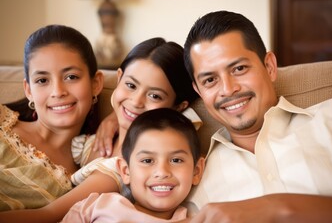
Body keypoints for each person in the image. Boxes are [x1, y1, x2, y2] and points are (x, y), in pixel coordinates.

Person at [182, 10, 332, 222]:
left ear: (270, 67)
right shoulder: (194, 177)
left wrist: (278, 208)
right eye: (210, 80)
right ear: (199, 91)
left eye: (239, 68)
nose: (228, 90)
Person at [0, 37, 201, 222]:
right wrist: (114, 117)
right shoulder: (89, 142)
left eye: (155, 96)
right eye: (131, 85)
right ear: (119, 78)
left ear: (178, 107)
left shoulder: (121, 168)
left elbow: (48, 215)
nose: (135, 101)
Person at [0, 24, 104, 211]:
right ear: (29, 90)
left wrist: (114, 119)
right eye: (42, 80)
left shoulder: (89, 176)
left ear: (96, 83)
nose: (58, 92)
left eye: (71, 77)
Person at [61, 108, 205, 222]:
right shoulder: (96, 206)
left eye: (176, 160)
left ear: (196, 171)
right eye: (147, 161)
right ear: (125, 171)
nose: (162, 172)